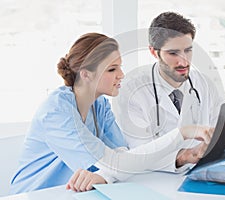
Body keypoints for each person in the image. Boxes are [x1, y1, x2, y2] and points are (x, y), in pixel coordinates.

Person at [10, 33, 212, 194]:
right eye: (112, 69)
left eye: (120, 67)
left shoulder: (100, 105)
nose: (121, 75)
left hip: (80, 193)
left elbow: (125, 157)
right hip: (38, 194)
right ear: (86, 74)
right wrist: (182, 133)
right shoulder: (56, 111)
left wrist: (184, 156)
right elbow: (118, 164)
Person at [112, 12, 225, 170]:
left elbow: (223, 137)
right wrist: (186, 156)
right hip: (154, 181)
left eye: (188, 50)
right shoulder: (132, 91)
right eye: (173, 53)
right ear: (154, 52)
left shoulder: (203, 84)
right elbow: (138, 154)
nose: (183, 61)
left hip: (200, 176)